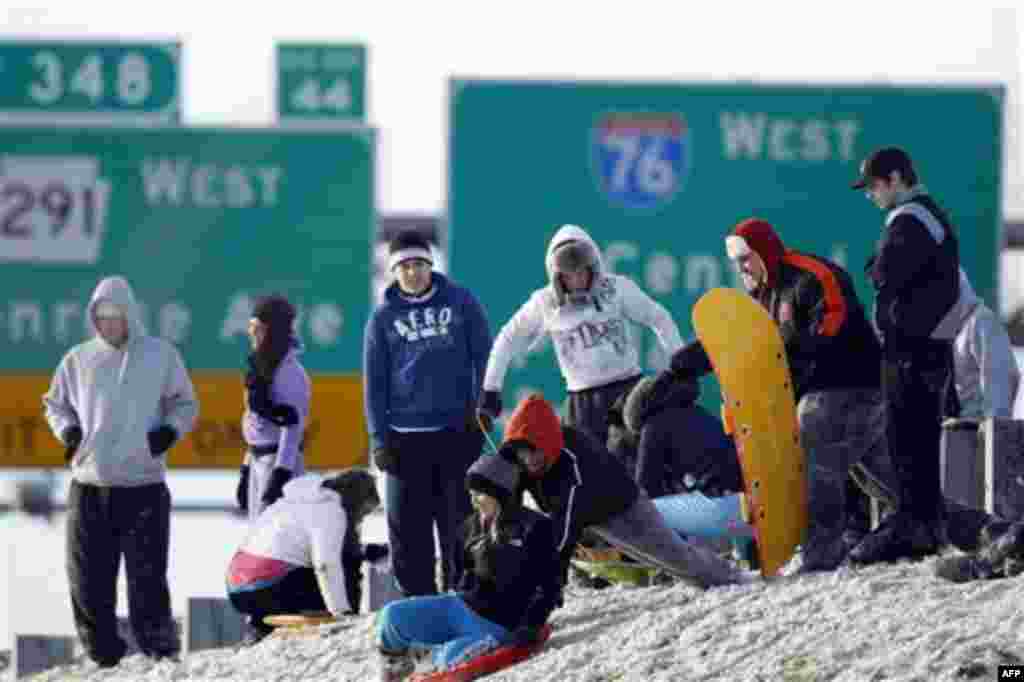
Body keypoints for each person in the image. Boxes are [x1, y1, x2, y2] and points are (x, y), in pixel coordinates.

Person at [661, 217, 887, 571]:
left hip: (850, 384)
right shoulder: (762, 297)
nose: (742, 268)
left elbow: (829, 328)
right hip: (822, 393)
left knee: (812, 443)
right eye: (736, 263)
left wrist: (782, 342)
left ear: (764, 252)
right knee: (888, 480)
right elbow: (746, 340)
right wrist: (679, 368)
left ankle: (821, 556)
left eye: (746, 259)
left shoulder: (811, 276)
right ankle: (971, 527)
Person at [42, 276, 198, 667]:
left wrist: (168, 432)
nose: (107, 323)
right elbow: (54, 404)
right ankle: (103, 658)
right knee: (88, 581)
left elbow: (186, 403)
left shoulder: (160, 357)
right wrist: (69, 431)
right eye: (100, 316)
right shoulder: (77, 360)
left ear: (130, 314)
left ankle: (158, 653)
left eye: (114, 315)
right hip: (90, 484)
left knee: (147, 580)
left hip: (143, 484)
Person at [498, 394, 751, 588]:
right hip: (592, 516)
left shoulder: (572, 460)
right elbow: (508, 488)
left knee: (676, 558)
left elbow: (567, 524)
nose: (530, 460)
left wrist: (553, 576)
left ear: (547, 440)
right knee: (658, 560)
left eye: (534, 451)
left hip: (624, 506)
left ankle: (731, 577)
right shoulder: (523, 463)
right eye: (523, 454)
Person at [364, 229, 493, 596]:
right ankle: (417, 602)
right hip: (405, 442)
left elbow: (485, 355)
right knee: (408, 532)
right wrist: (379, 439)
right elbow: (374, 385)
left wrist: (486, 404)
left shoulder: (461, 302)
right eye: (404, 266)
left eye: (419, 264)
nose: (412, 272)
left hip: (456, 434)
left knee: (460, 526)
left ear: (431, 266)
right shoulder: (383, 318)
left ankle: (463, 595)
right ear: (394, 271)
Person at [849, 146, 960, 564]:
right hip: (928, 347)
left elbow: (886, 272)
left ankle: (914, 527)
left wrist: (875, 266)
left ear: (895, 179)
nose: (871, 195)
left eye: (874, 186)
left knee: (907, 441)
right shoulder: (930, 215)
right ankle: (926, 524)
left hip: (911, 350)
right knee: (919, 440)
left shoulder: (909, 217)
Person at [477, 224, 683, 447]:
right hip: (583, 404)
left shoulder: (615, 289)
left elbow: (658, 317)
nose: (576, 280)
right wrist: (491, 389)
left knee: (640, 464)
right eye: (568, 274)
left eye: (581, 271)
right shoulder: (545, 303)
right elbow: (507, 339)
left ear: (593, 268)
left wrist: (680, 366)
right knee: (587, 474)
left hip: (628, 391)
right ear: (556, 276)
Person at [376, 454, 561, 681]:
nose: (474, 501)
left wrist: (531, 624)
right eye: (471, 494)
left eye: (480, 494)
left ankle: (427, 662)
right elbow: (456, 577)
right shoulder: (468, 528)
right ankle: (396, 671)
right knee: (391, 616)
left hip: (498, 624)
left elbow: (550, 585)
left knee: (450, 659)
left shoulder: (534, 527)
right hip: (459, 607)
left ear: (500, 492)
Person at [226, 469, 384, 646]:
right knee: (349, 563)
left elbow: (294, 548)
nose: (361, 519)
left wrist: (364, 551)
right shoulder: (332, 510)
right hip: (269, 589)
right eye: (365, 511)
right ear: (357, 501)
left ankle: (259, 624)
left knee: (339, 558)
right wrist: (341, 613)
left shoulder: (294, 500)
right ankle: (349, 625)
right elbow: (325, 564)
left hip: (238, 590)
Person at [236, 295, 312, 523]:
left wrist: (281, 475)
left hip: (277, 462)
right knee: (257, 537)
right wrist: (246, 468)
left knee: (277, 541)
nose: (251, 332)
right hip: (259, 459)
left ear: (272, 332)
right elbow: (255, 420)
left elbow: (292, 430)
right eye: (250, 326)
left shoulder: (290, 374)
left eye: (257, 327)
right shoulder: (261, 370)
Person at [612, 374, 743, 500]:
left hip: (719, 494)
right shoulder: (695, 409)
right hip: (740, 482)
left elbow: (646, 486)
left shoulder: (653, 427)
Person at [948, 268, 1020, 419]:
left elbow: (1001, 381)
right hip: (951, 432)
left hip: (976, 432)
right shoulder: (945, 333)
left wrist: (993, 433)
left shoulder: (981, 322)